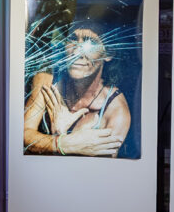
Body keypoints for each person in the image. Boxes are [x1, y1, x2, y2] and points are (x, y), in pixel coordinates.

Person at [23, 22, 130, 156]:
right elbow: (23, 135)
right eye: (72, 39)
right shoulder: (48, 79)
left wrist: (61, 136)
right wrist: (61, 142)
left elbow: (102, 167)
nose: (76, 52)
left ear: (108, 53)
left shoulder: (115, 111)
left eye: (90, 43)